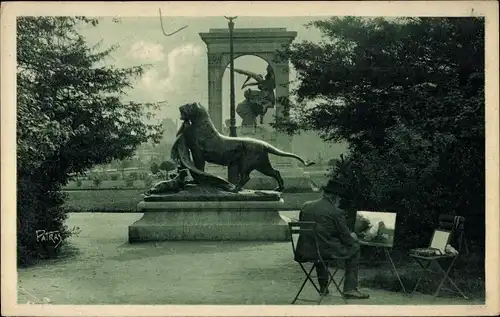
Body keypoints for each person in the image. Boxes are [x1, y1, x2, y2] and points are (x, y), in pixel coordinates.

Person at [295, 178, 370, 299]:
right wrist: (354, 236)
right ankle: (350, 289)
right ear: (333, 197)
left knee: (320, 247)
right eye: (339, 197)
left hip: (304, 251)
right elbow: (347, 239)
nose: (340, 200)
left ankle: (323, 288)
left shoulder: (306, 206)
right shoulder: (336, 212)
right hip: (323, 251)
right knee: (355, 248)